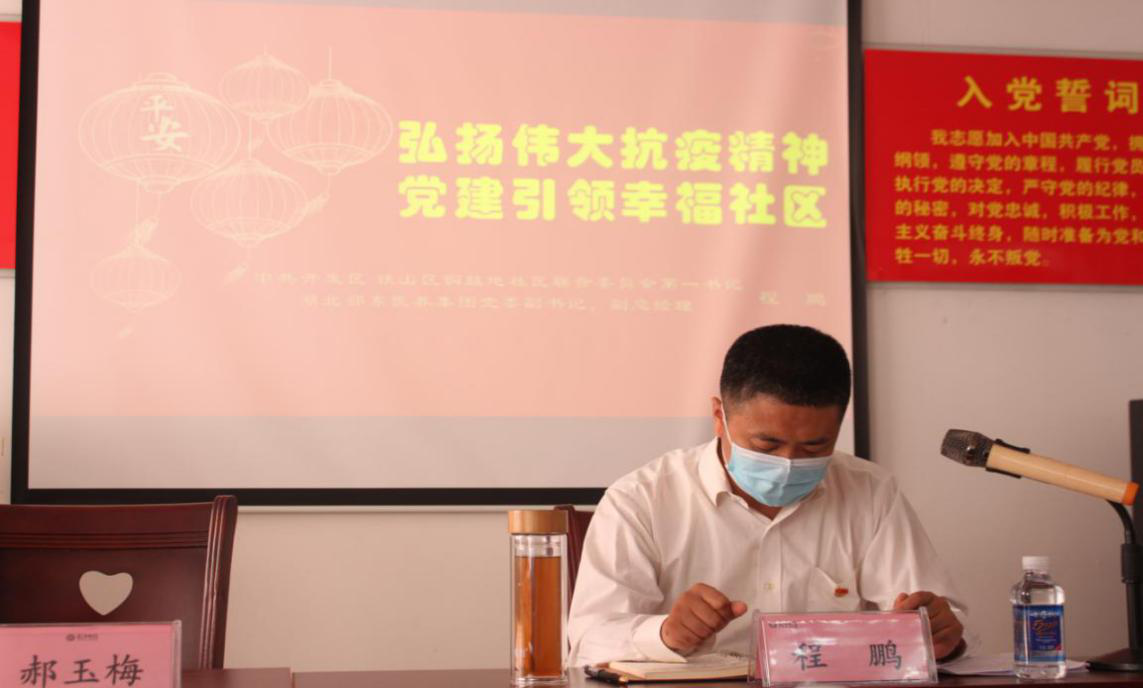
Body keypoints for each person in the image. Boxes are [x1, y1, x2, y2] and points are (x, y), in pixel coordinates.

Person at [568, 324, 968, 666]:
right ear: (719, 417)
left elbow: (942, 625)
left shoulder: (871, 493)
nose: (788, 462)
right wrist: (665, 634)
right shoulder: (641, 500)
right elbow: (588, 641)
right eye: (766, 444)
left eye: (814, 446)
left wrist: (941, 634)